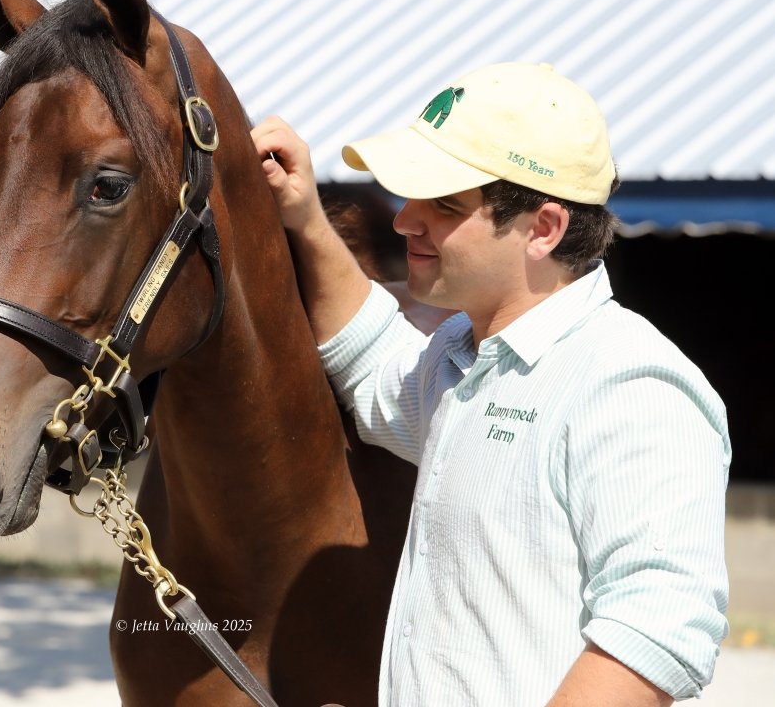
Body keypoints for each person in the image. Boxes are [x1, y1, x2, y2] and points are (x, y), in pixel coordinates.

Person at [251, 63, 730, 706]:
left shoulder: (630, 381)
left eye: (445, 205)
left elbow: (657, 629)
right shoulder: (466, 358)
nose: (403, 221)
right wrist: (308, 220)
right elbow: (372, 364)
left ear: (544, 229)